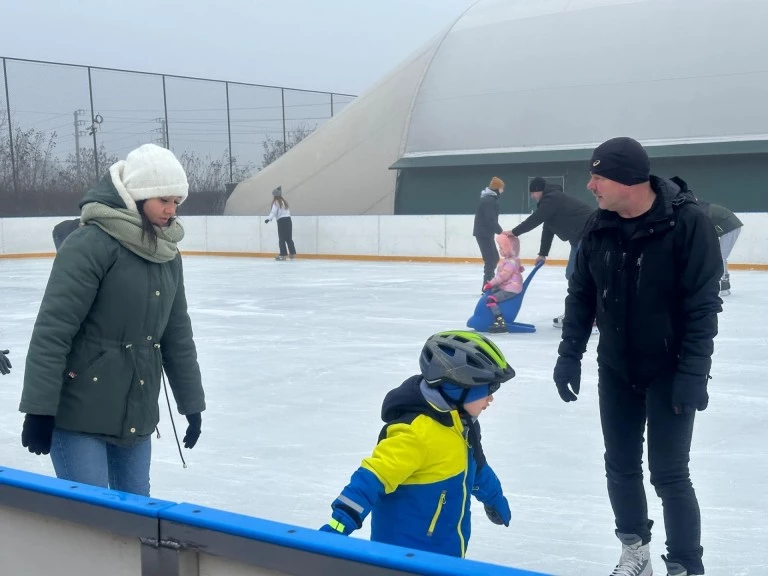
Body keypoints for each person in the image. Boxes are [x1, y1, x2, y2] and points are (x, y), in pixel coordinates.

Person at [553, 137, 722, 576]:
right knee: (620, 464)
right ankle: (635, 552)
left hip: (670, 368)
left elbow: (702, 306)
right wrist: (570, 354)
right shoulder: (597, 226)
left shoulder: (687, 224)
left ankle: (685, 564)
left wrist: (693, 374)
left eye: (598, 175)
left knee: (669, 474)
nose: (590, 185)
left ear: (629, 179)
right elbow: (581, 295)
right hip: (616, 366)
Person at [19, 143, 207, 497]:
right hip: (79, 416)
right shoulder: (91, 244)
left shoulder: (167, 253)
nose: (171, 210)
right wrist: (39, 410)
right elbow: (52, 331)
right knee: (93, 525)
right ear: (137, 196)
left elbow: (176, 336)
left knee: (136, 523)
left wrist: (192, 403)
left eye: (176, 202)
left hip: (135, 416)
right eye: (163, 200)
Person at [319, 330, 515, 558]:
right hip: (401, 560)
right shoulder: (416, 433)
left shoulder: (462, 424)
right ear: (459, 387)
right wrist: (338, 527)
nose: (492, 398)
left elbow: (475, 466)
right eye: (489, 389)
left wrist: (494, 498)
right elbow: (372, 477)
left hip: (446, 556)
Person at [506, 177, 595, 327]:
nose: (532, 196)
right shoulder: (551, 202)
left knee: (580, 276)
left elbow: (536, 219)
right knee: (572, 274)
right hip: (579, 239)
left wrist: (515, 232)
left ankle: (590, 315)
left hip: (589, 235)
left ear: (539, 190)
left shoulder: (553, 198)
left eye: (533, 193)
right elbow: (547, 229)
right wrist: (542, 254)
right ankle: (578, 310)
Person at [692, 196, 743, 296]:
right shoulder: (700, 208)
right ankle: (724, 285)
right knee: (719, 255)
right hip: (726, 228)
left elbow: (703, 228)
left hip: (730, 227)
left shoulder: (701, 210)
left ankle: (722, 286)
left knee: (720, 256)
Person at [482, 233, 524, 333]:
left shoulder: (510, 263)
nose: (499, 250)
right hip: (509, 286)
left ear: (508, 249)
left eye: (501, 248)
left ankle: (500, 321)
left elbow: (502, 277)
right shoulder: (513, 260)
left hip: (510, 289)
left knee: (490, 299)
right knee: (493, 291)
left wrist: (490, 284)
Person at [473, 176, 505, 291]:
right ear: (497, 188)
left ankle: (490, 283)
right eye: (501, 188)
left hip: (485, 233)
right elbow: (490, 219)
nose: (503, 190)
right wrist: (501, 232)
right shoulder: (489, 201)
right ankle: (487, 287)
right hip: (483, 234)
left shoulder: (489, 199)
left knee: (494, 258)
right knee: (490, 259)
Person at [264, 186, 296, 260]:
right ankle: (292, 254)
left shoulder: (276, 202)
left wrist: (268, 219)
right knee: (289, 238)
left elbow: (273, 212)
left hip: (282, 221)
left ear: (275, 195)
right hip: (288, 220)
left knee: (282, 238)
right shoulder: (284, 202)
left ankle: (283, 254)